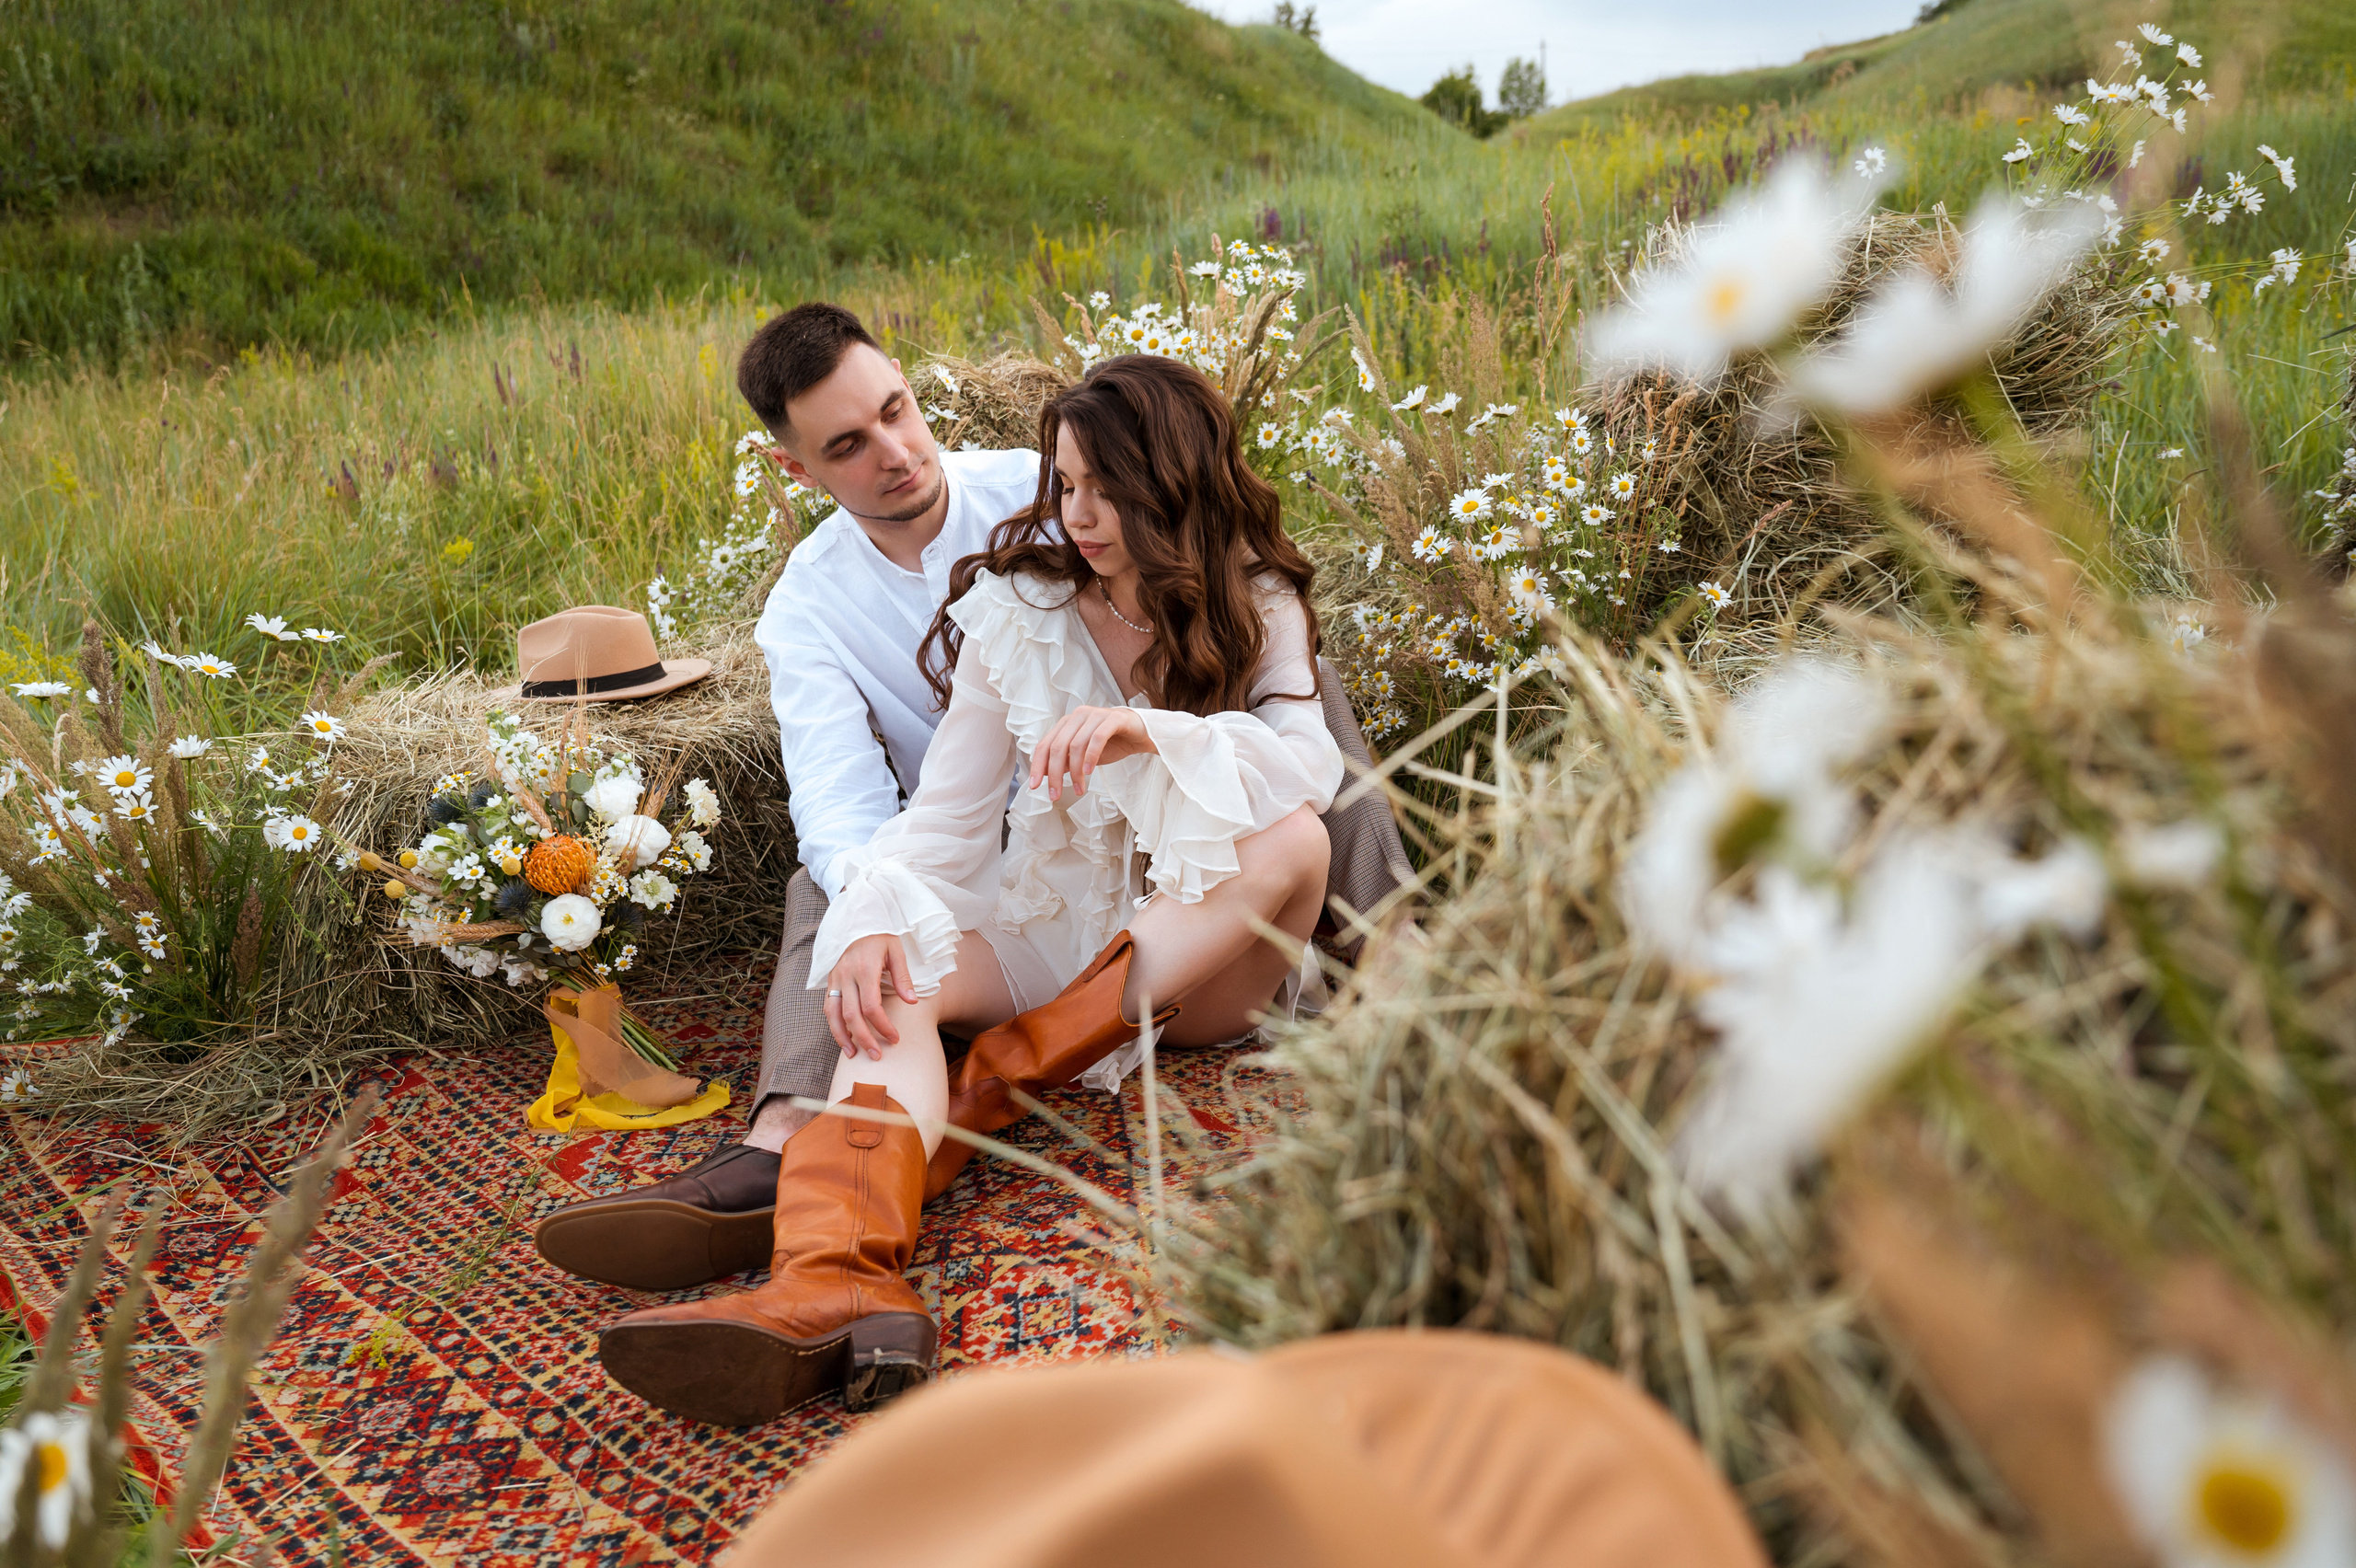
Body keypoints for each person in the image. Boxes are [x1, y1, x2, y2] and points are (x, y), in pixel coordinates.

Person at [596, 355, 1346, 1424]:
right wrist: (871, 925)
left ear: (1171, 484)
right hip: (1053, 931)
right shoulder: (1023, 609)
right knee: (890, 982)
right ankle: (837, 1277)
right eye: (1065, 485)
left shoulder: (1255, 598)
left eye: (1105, 490)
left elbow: (1307, 765)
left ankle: (992, 1084)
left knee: (1292, 838)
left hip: (1208, 971)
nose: (1078, 514)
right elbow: (946, 815)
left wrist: (1156, 731)